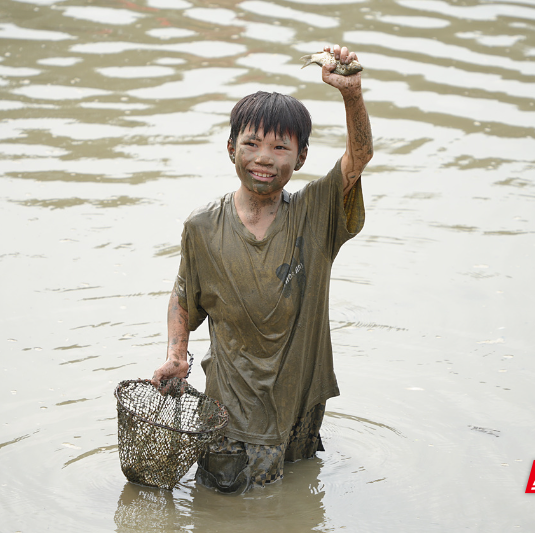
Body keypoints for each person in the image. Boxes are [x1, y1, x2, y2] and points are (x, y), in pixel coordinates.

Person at [151, 44, 372, 493]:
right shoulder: (202, 227)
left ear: (302, 157)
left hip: (299, 403)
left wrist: (351, 95)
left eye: (279, 147)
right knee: (225, 505)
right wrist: (176, 354)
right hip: (229, 411)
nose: (264, 158)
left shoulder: (316, 215)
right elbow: (182, 294)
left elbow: (359, 158)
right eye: (251, 143)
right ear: (231, 148)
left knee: (288, 502)